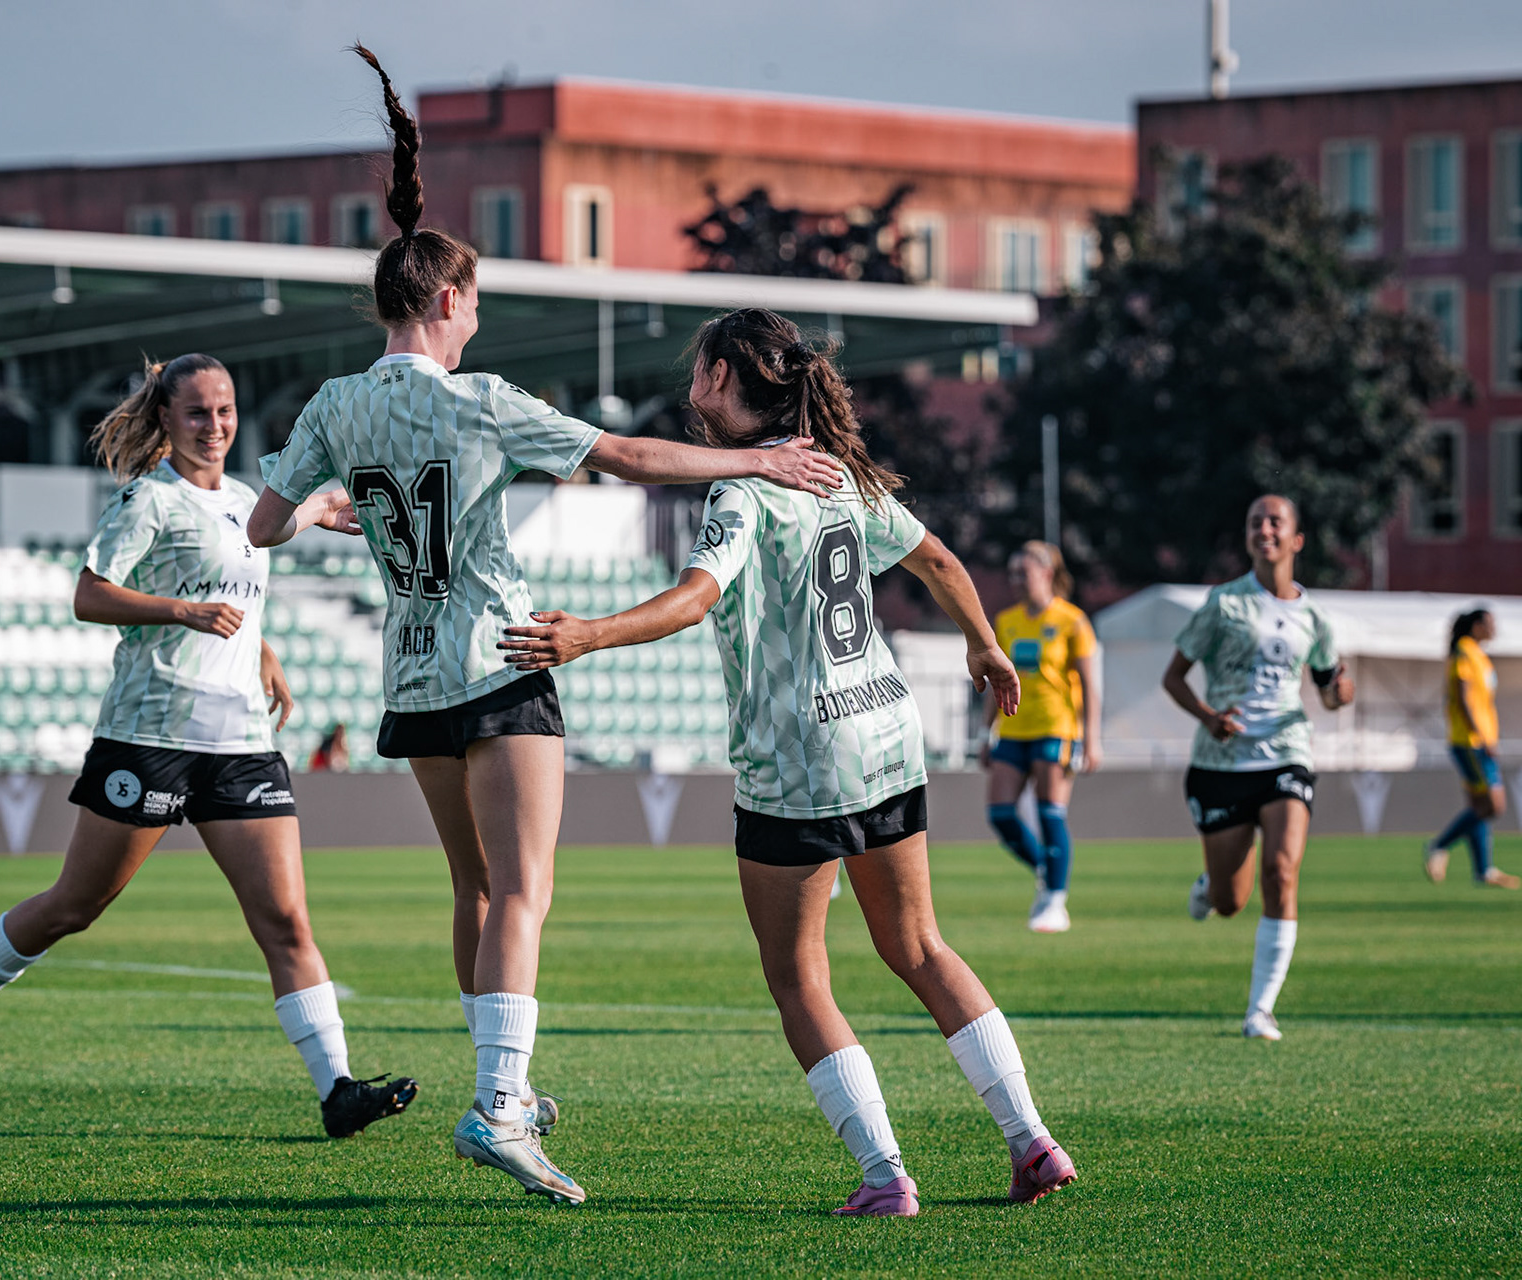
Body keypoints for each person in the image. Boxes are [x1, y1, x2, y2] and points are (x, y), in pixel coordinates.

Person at [247, 46, 845, 1207]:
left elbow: (268, 525)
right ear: (446, 301)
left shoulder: (332, 403)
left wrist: (339, 500)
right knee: (524, 889)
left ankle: (501, 1081)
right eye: (474, 302)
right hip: (500, 659)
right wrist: (753, 456)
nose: (478, 319)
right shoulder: (479, 399)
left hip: (411, 676)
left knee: (473, 889)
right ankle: (501, 1104)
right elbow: (623, 456)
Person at [500, 308, 1078, 1218]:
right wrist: (985, 645)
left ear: (727, 377)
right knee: (921, 947)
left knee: (799, 975)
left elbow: (696, 600)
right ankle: (1032, 1140)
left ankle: (886, 1175)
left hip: (800, 756)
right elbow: (936, 558)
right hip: (888, 730)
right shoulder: (840, 479)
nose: (692, 390)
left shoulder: (745, 492)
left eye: (700, 371)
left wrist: (587, 635)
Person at [0, 353, 419, 1139]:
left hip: (242, 743)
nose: (214, 427)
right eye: (197, 414)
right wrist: (179, 612)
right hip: (149, 736)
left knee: (285, 921)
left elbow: (252, 569)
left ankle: (337, 1091)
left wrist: (266, 646)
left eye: (224, 411)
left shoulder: (248, 501)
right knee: (76, 906)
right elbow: (89, 595)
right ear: (167, 419)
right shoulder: (148, 501)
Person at [1160, 495, 1355, 1041]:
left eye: (1275, 522)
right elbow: (1173, 677)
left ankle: (1260, 1010)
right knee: (1229, 902)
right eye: (1255, 522)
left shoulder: (1314, 617)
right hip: (1221, 761)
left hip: (1287, 753)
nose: (1264, 529)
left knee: (1282, 871)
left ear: (1296, 539)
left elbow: (1329, 687)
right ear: (1248, 538)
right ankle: (1210, 886)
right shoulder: (1224, 604)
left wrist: (1341, 692)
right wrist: (1209, 717)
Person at [979, 541, 1101, 933]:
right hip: (1013, 728)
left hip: (1056, 727)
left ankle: (1054, 901)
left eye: (1023, 572)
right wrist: (986, 733)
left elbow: (1089, 684)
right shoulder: (1006, 621)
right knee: (1000, 815)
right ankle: (1048, 870)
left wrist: (1091, 739)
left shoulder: (1072, 621)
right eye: (1012, 572)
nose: (1016, 580)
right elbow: (995, 679)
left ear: (1047, 573)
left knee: (1051, 813)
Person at [1425, 610, 1518, 888]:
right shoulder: (1463, 653)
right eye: (1489, 623)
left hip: (1478, 740)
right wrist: (1481, 735)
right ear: (1476, 626)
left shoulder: (1478, 654)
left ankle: (1484, 871)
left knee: (1480, 807)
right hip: (1470, 742)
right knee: (1493, 805)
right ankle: (1439, 845)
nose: (1494, 628)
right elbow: (1462, 698)